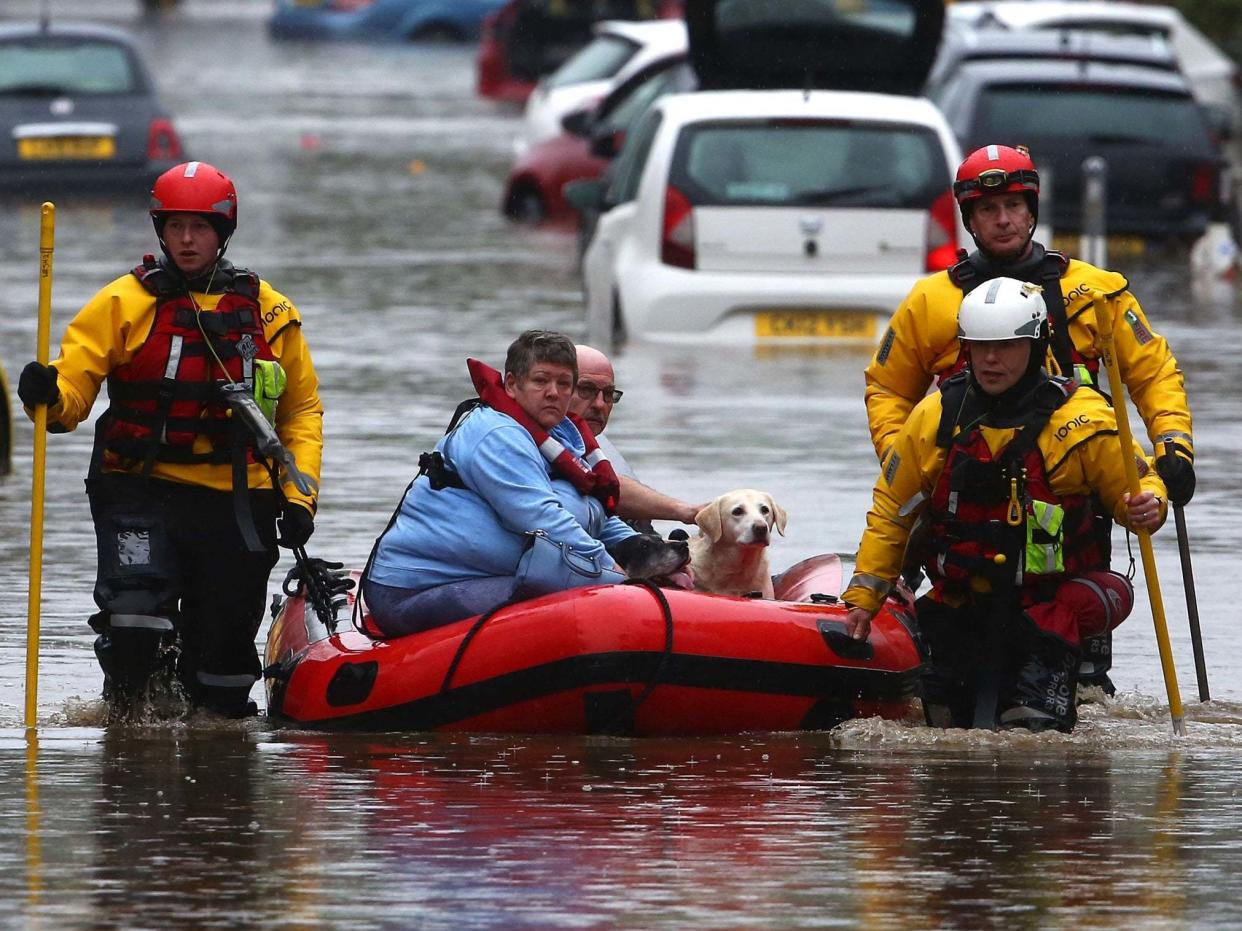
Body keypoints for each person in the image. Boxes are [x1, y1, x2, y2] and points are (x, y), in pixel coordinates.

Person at [864, 143, 1194, 693]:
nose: (1003, 219)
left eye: (1014, 206)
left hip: (1075, 500)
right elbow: (887, 388)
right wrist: (913, 462)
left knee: (1079, 676)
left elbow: (1154, 373)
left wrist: (1173, 447)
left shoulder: (1097, 293)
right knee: (956, 664)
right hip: (966, 497)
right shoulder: (929, 303)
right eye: (988, 210)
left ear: (1033, 209)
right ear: (968, 219)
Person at [18, 161, 323, 719]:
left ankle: (216, 768)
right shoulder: (122, 304)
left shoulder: (271, 313)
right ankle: (131, 742)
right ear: (160, 230)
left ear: (223, 232)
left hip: (237, 499)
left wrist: (300, 499)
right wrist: (48, 395)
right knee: (134, 624)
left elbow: (300, 412)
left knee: (225, 667)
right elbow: (73, 394)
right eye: (176, 226)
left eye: (200, 227)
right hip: (139, 491)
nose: (187, 239)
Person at [842, 278, 1166, 733]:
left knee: (1031, 731)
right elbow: (893, 513)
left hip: (1049, 605)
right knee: (945, 722)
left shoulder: (1084, 420)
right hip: (963, 602)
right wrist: (864, 598)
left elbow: (1137, 482)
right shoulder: (934, 419)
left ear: (1034, 345)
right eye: (979, 347)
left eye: (1006, 347)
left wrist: (1149, 505)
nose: (991, 359)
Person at [362, 330, 684, 637]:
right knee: (569, 604)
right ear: (512, 385)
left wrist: (646, 552)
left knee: (576, 591)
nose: (554, 392)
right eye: (541, 380)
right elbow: (546, 521)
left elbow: (589, 511)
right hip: (415, 589)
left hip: (488, 576)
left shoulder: (561, 438)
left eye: (564, 383)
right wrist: (616, 576)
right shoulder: (495, 434)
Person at [570, 344, 699, 529]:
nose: (600, 404)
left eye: (607, 394)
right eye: (586, 389)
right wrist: (687, 512)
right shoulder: (534, 445)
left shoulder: (589, 448)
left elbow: (607, 485)